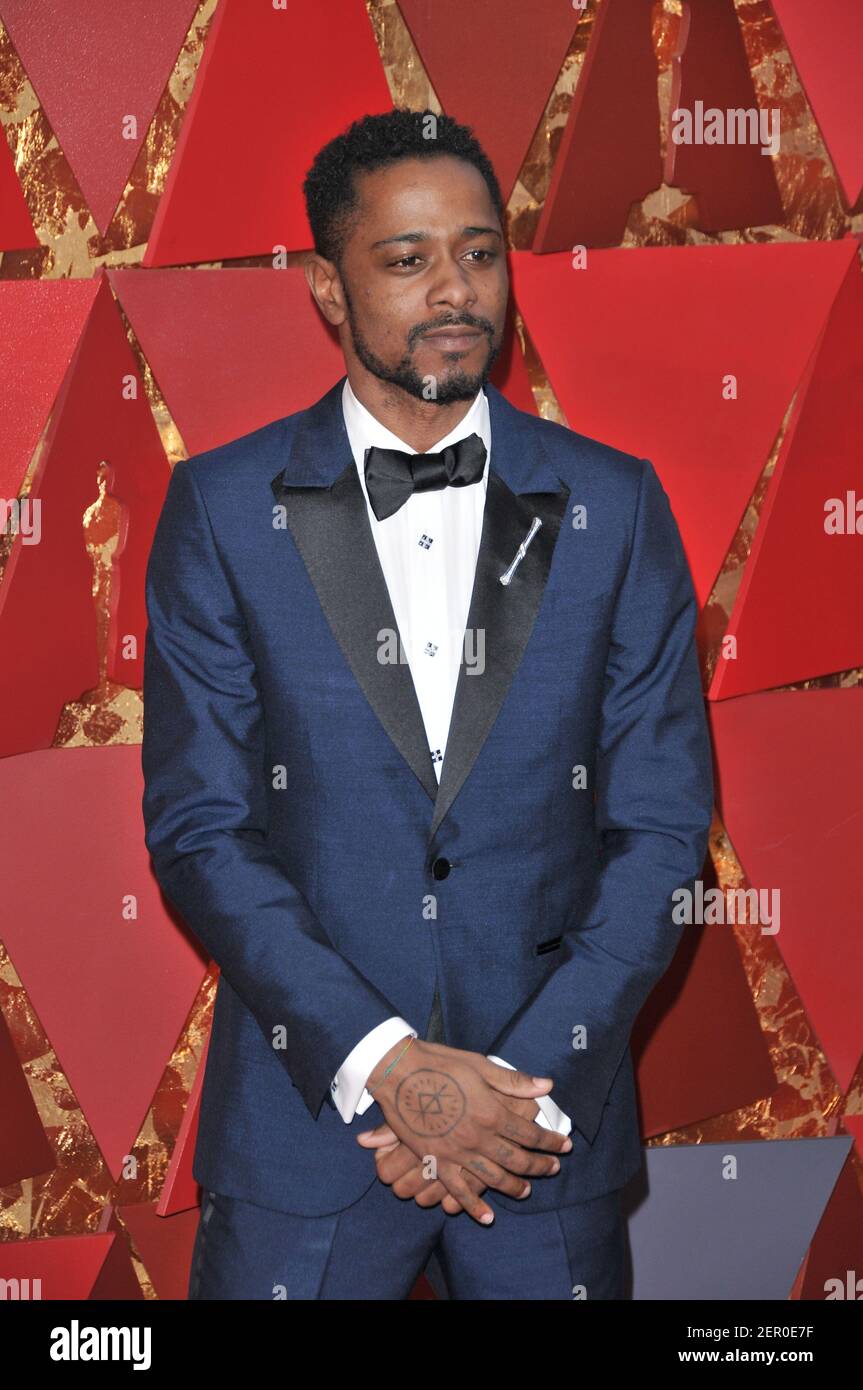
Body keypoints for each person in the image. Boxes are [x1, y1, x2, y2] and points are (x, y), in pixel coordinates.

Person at [141, 108, 714, 1300]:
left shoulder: (616, 506)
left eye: (478, 251)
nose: (453, 290)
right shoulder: (222, 508)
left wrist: (504, 1092)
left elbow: (661, 832)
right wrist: (393, 1068)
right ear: (326, 288)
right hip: (314, 1131)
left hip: (540, 1134)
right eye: (404, 260)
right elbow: (202, 829)